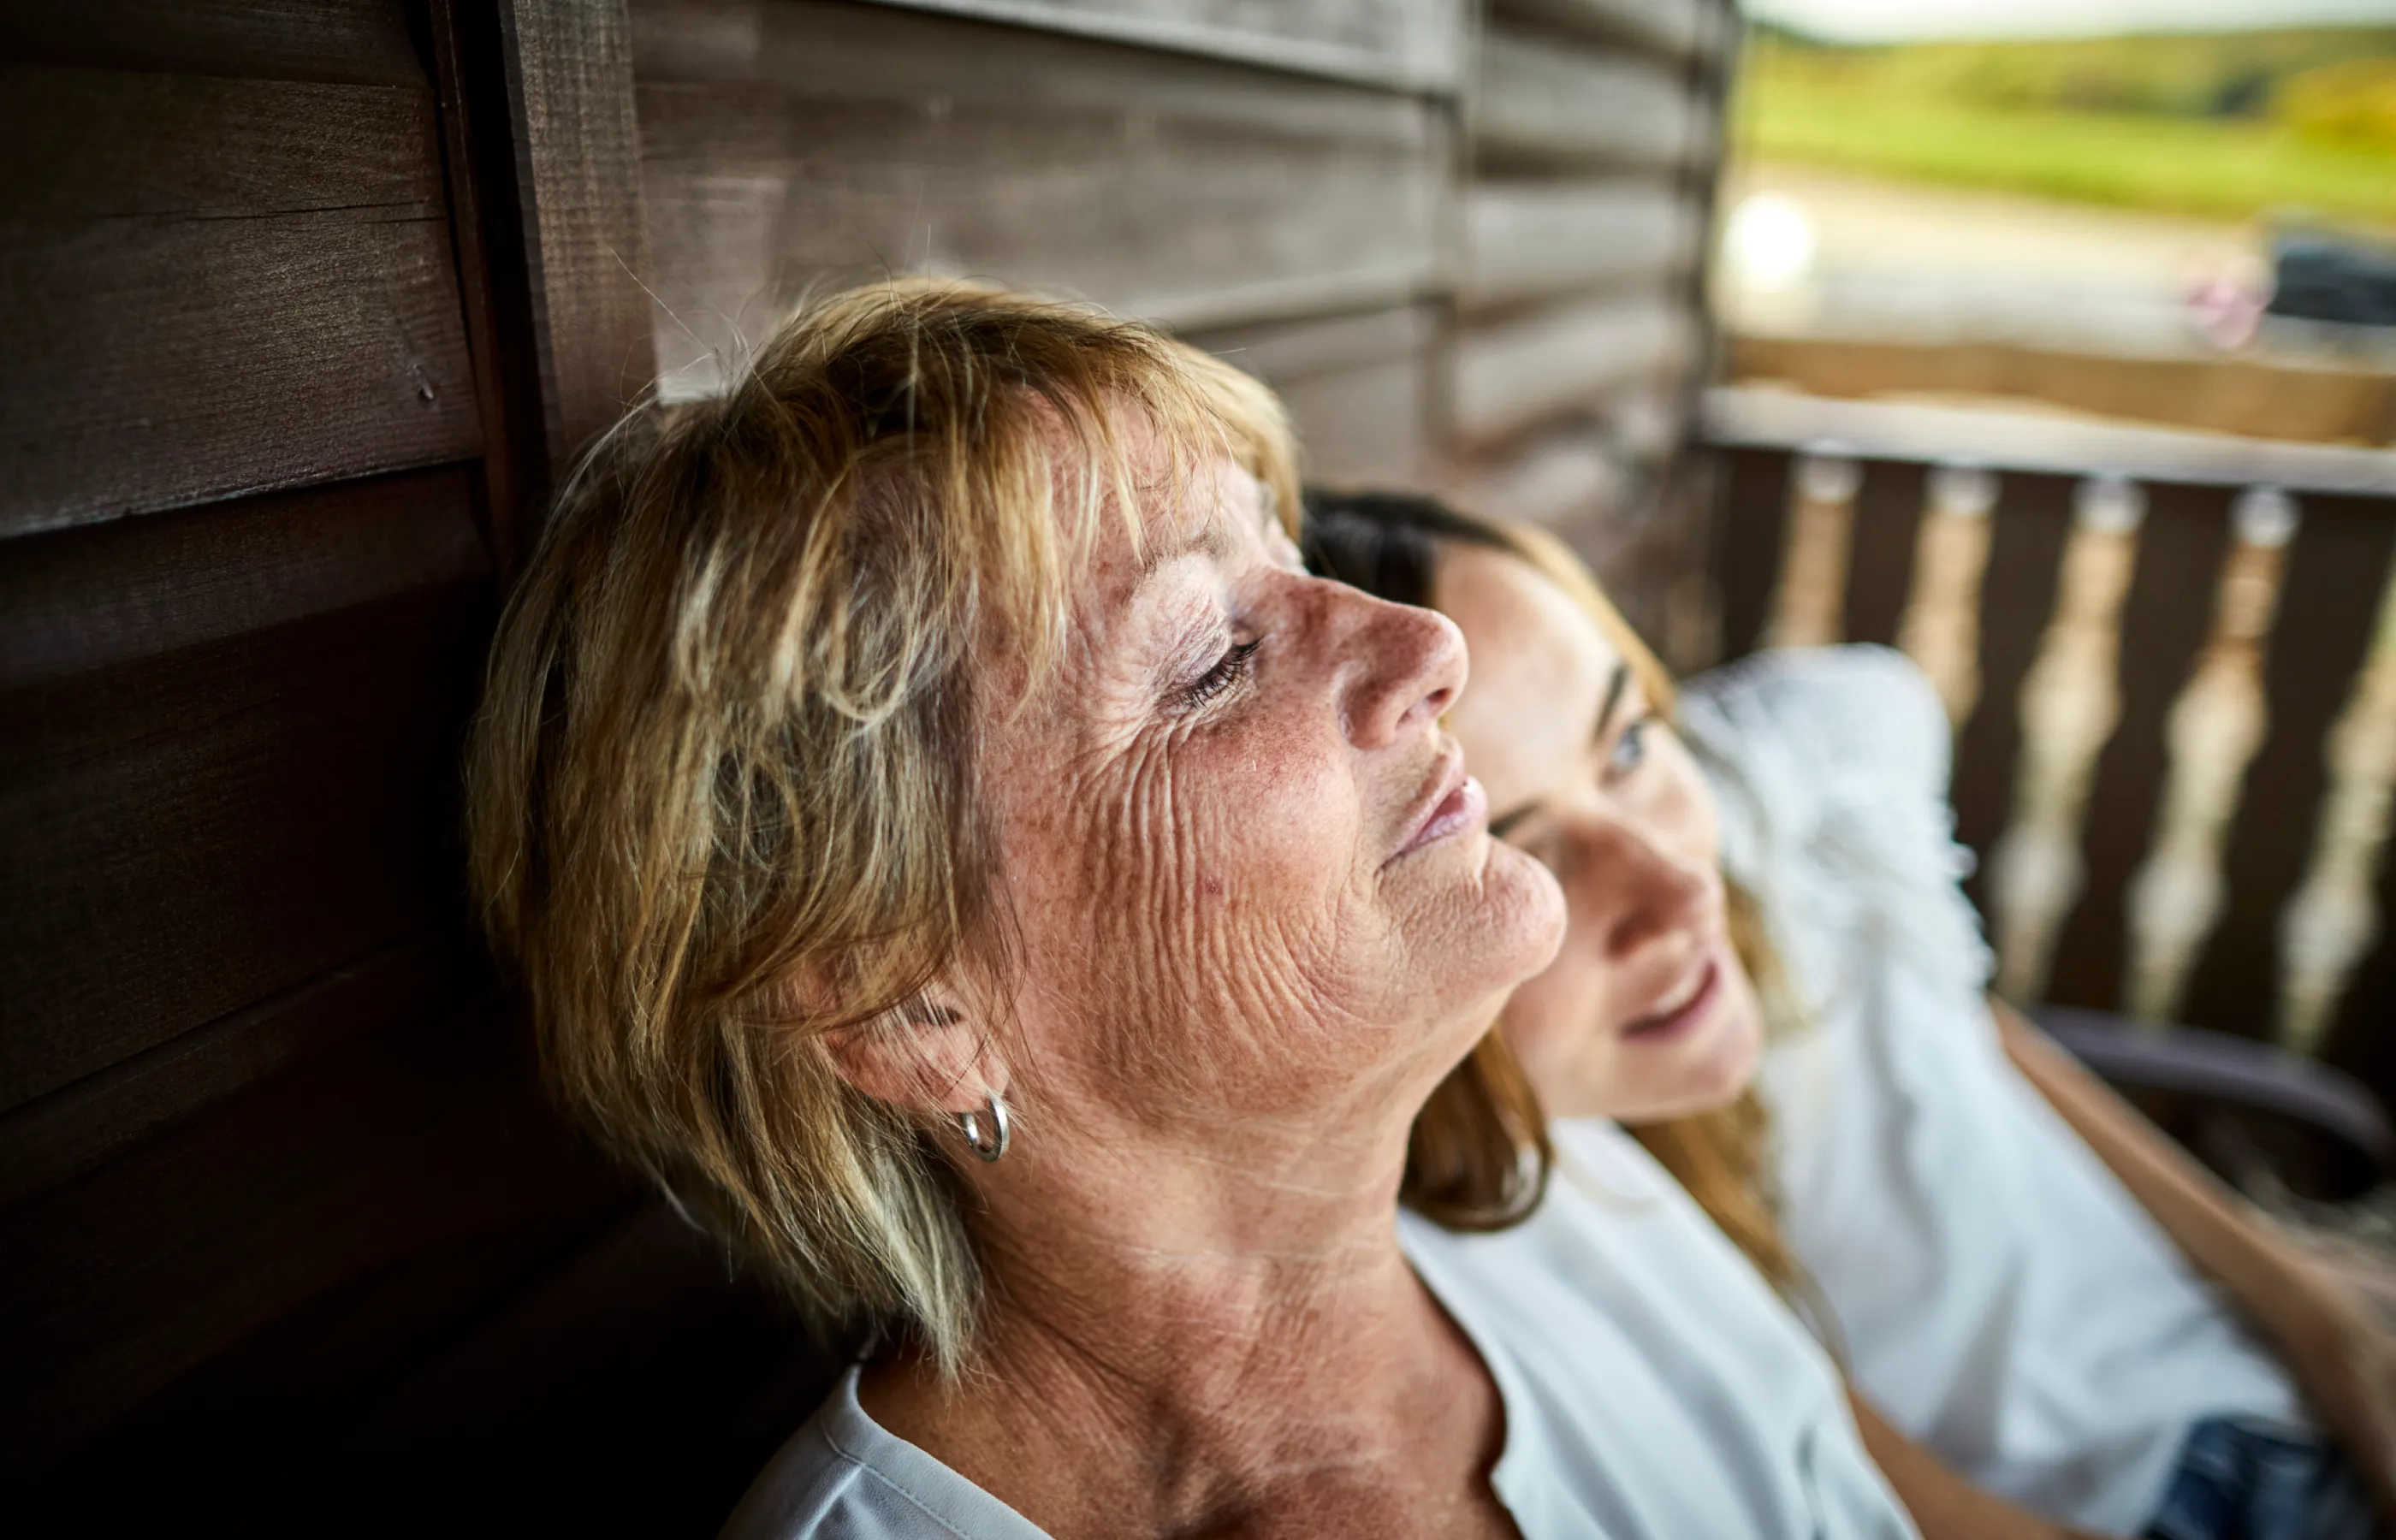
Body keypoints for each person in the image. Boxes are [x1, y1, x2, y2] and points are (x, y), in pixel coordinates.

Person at [463, 281, 1923, 1540]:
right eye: (1215, 659)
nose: (1425, 644)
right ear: (910, 1007)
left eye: (1288, 564)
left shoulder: (1578, 1217)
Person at [1308, 489, 2396, 1540]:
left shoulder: (1784, 829)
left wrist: (2316, 1315)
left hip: (2261, 1376)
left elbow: (1959, 1013)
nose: (1684, 890)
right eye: (1520, 849)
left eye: (1629, 741)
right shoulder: (1539, 1240)